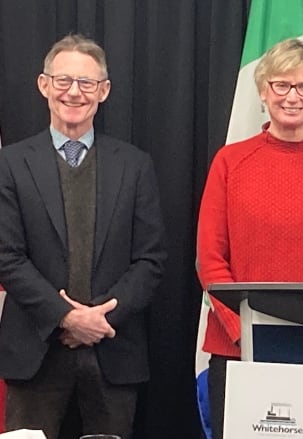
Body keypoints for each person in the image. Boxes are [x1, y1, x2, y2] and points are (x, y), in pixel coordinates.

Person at [196, 38, 303, 439]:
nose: (292, 96)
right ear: (262, 91)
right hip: (238, 349)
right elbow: (210, 259)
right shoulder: (229, 162)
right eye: (281, 85)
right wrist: (246, 330)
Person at [0, 34, 166, 439]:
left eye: (86, 83)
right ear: (44, 85)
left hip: (113, 348)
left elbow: (151, 260)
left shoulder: (135, 166)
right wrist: (67, 318)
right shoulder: (10, 164)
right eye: (63, 81)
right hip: (34, 352)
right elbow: (7, 256)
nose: (74, 92)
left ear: (103, 91)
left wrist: (100, 320)